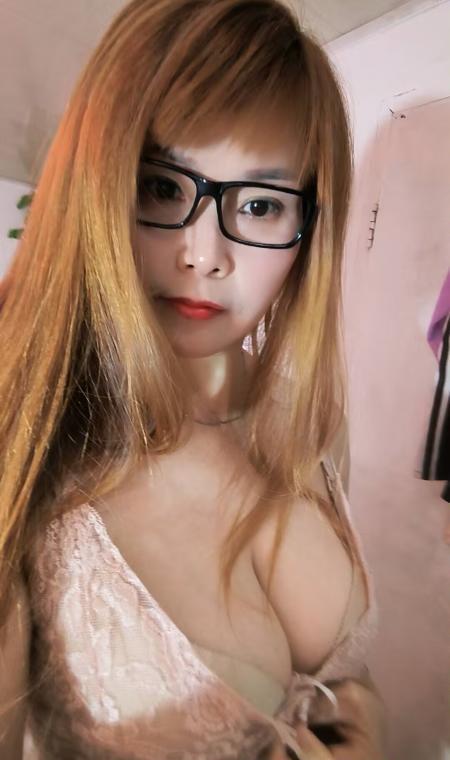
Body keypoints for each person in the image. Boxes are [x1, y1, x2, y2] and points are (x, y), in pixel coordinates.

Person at [0, 0, 386, 757]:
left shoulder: (310, 423)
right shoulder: (29, 452)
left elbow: (341, 680)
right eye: (161, 187)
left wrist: (359, 719)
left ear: (308, 231)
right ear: (97, 187)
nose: (203, 254)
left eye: (262, 204)